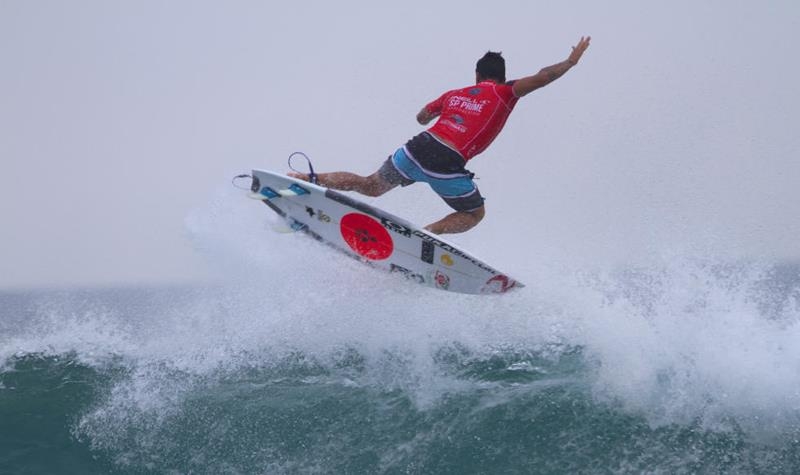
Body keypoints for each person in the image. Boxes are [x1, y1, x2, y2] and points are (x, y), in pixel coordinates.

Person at [290, 36, 591, 234]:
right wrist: (571, 62)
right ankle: (429, 234)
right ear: (500, 76)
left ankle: (306, 179)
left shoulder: (454, 94)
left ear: (476, 75)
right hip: (447, 161)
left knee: (370, 185)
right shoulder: (504, 92)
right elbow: (542, 77)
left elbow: (422, 117)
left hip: (416, 149)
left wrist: (442, 111)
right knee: (474, 214)